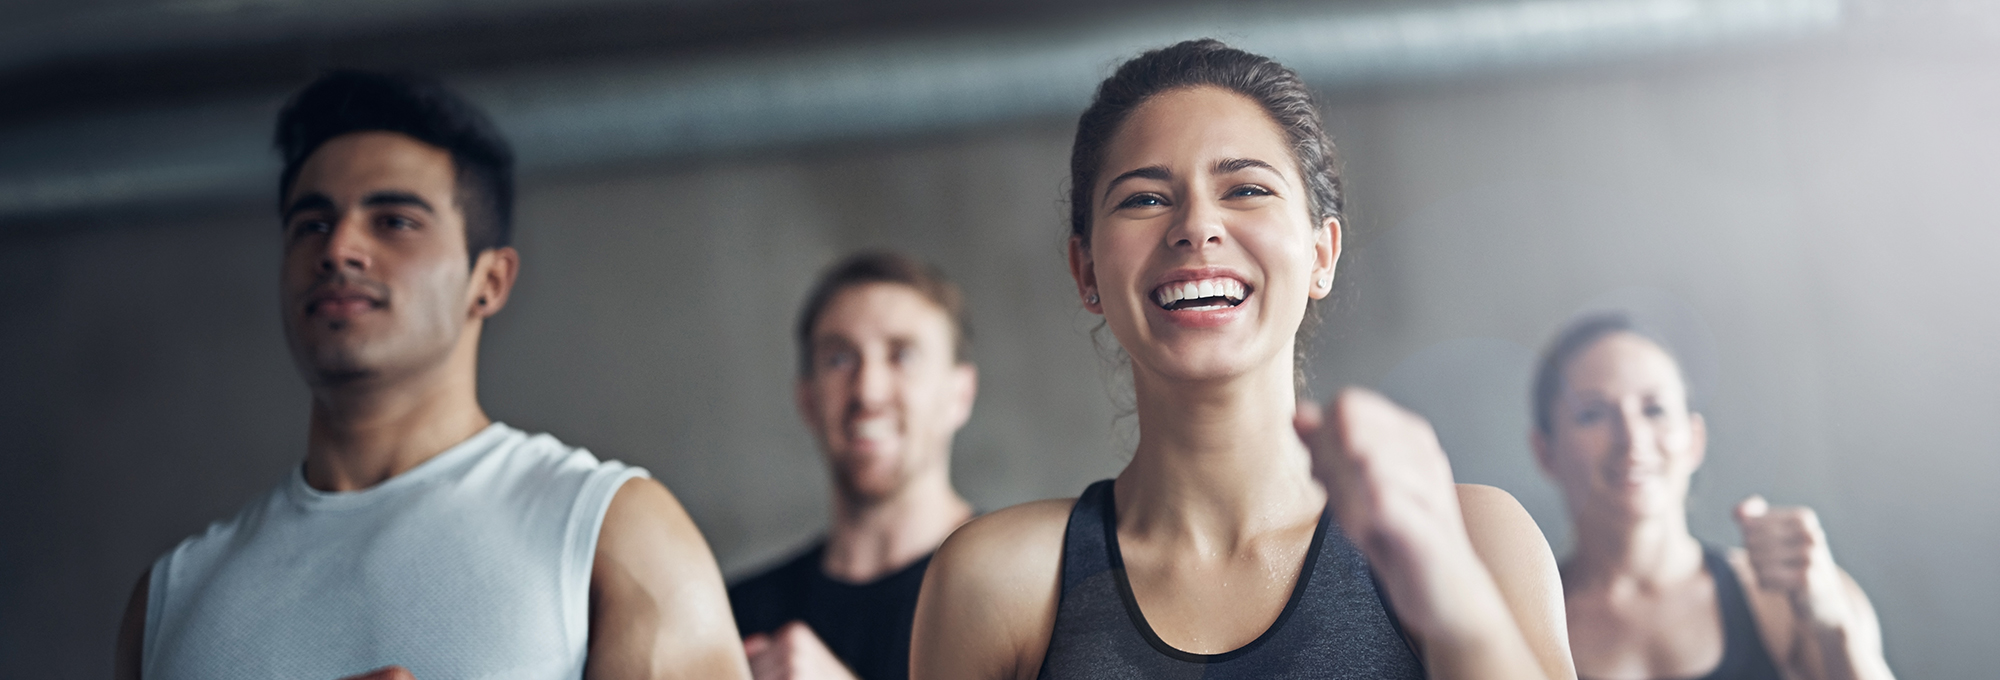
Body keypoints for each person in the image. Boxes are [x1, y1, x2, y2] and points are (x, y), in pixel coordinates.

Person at [910, 39, 1574, 680]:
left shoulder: (1479, 539)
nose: (1196, 226)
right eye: (1144, 198)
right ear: (1085, 268)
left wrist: (1454, 602)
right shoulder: (999, 581)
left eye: (1247, 189)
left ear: (1321, 254)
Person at [112, 71, 750, 680]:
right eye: (312, 224)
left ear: (489, 280)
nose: (338, 249)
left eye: (395, 221)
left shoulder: (614, 531)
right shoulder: (172, 597)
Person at [1531, 313, 1896, 680]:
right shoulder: (1520, 624)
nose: (1632, 438)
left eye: (1654, 409)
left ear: (1694, 440)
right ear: (1545, 452)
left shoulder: (1782, 601)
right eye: (1593, 414)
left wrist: (1832, 628)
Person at [728, 252, 980, 680]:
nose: (868, 391)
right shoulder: (737, 615)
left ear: (959, 394)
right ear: (807, 399)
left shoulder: (1024, 592)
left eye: (902, 356)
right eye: (839, 359)